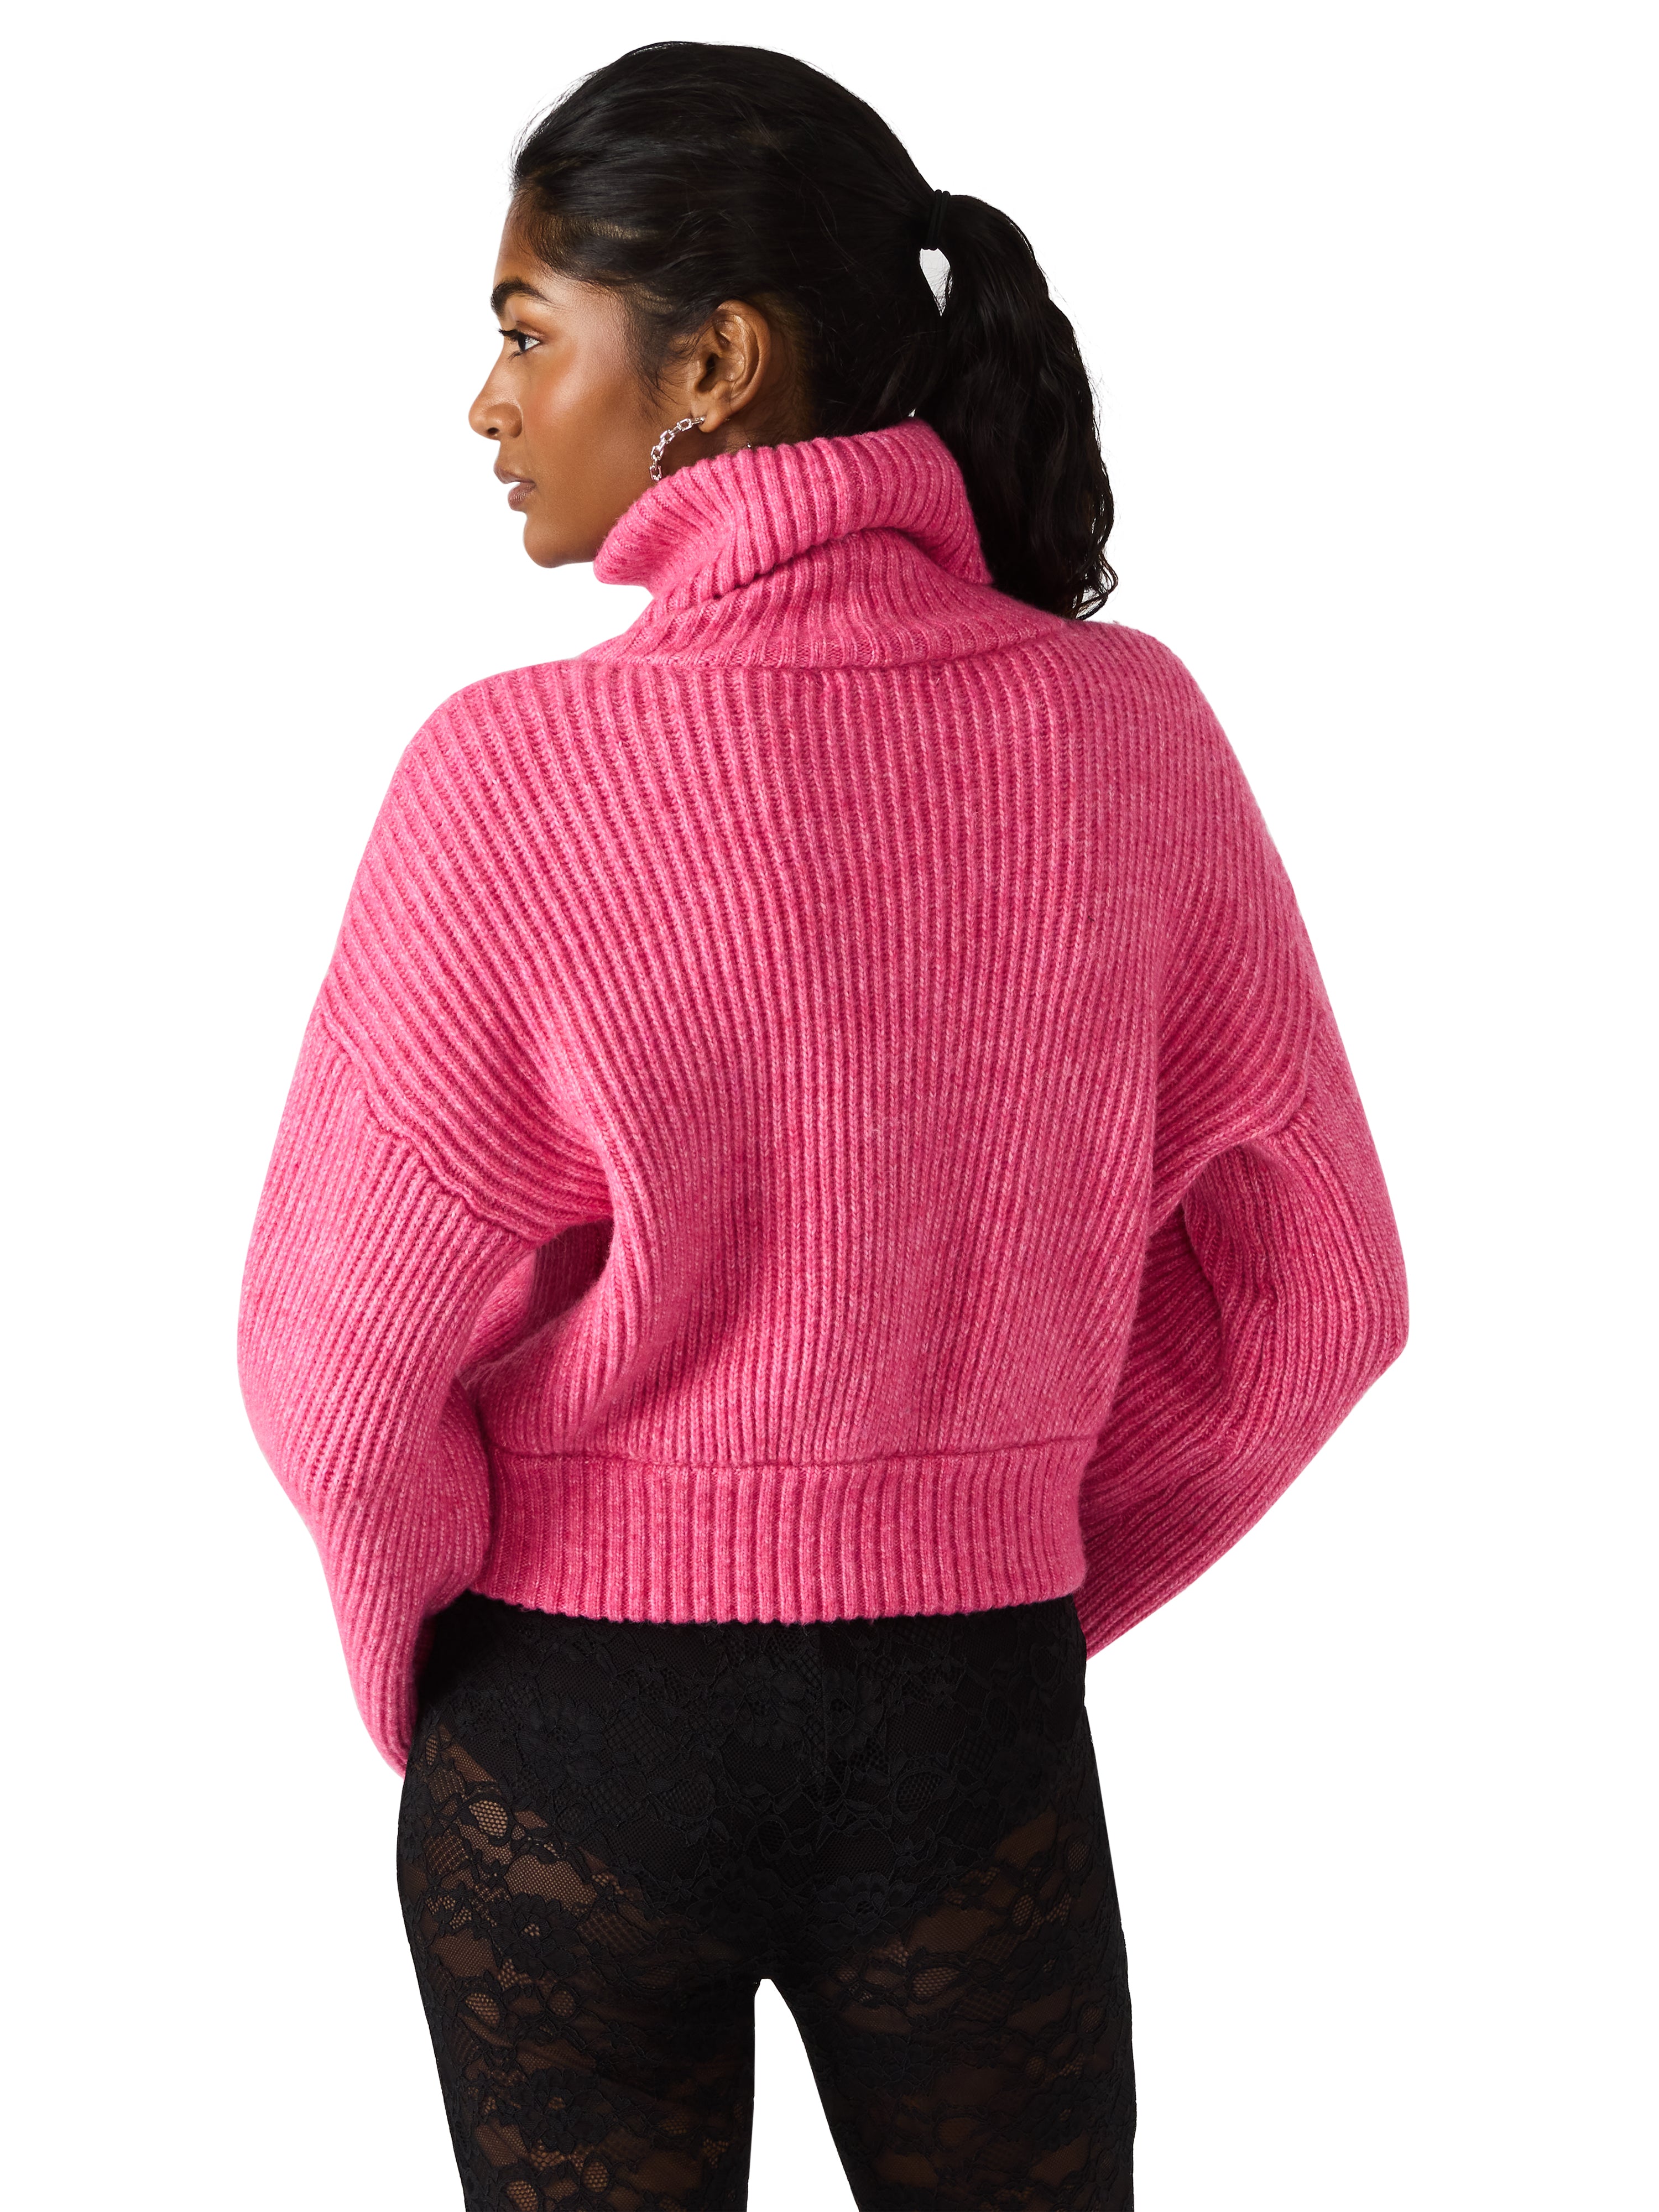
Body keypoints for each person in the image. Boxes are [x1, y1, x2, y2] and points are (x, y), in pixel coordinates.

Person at [237, 41, 1407, 2211]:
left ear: (715, 364)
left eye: (526, 332)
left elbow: (328, 1359)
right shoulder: (1128, 733)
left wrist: (448, 1661)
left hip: (572, 1730)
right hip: (970, 1727)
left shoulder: (506, 777)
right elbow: (1319, 1298)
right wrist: (998, 1552)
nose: (486, 404)